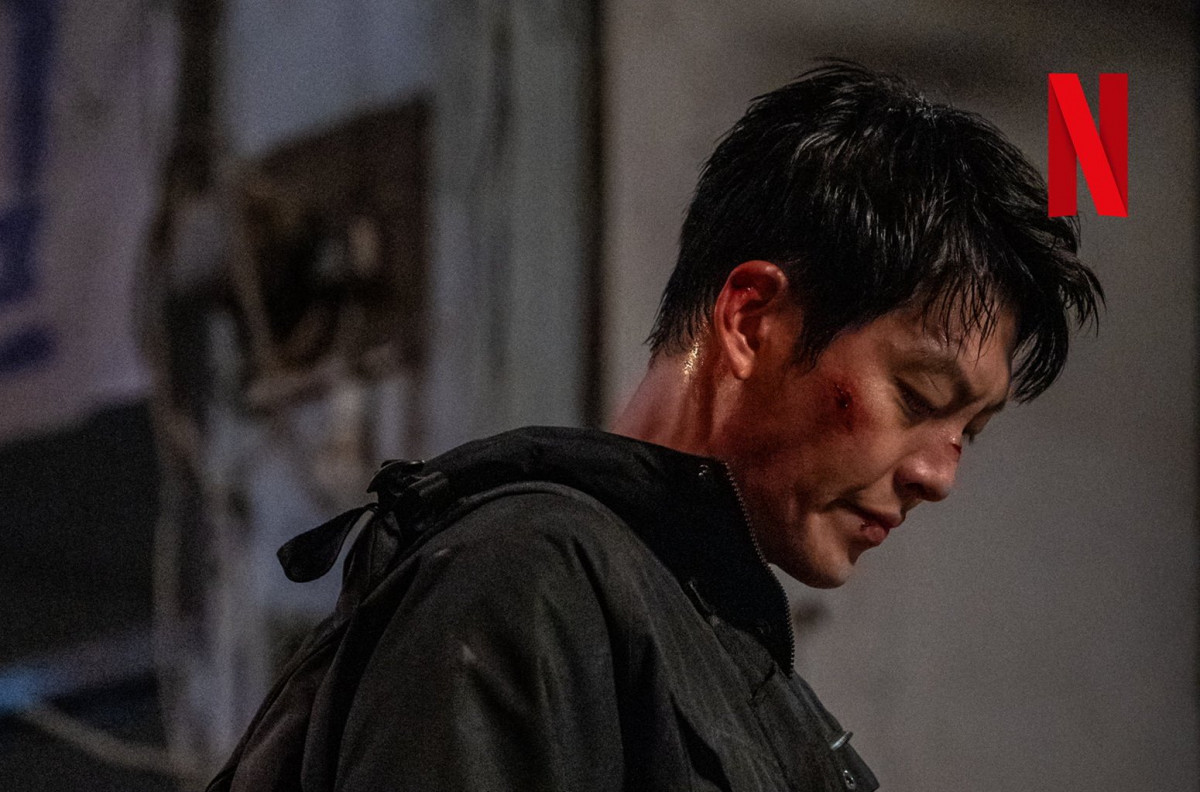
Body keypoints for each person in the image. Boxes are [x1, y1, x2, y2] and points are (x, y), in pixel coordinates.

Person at [210, 63, 1102, 792]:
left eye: (970, 432)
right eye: (917, 397)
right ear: (751, 320)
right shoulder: (525, 580)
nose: (938, 475)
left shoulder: (724, 659)